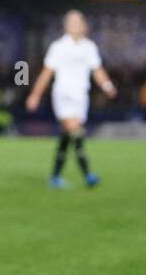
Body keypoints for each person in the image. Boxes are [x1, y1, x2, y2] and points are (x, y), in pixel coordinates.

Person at [25, 10, 117, 188]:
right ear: (66, 26)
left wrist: (108, 86)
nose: (74, 25)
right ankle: (88, 174)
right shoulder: (58, 47)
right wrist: (35, 95)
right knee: (76, 131)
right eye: (70, 22)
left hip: (81, 96)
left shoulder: (89, 47)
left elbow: (97, 69)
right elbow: (46, 73)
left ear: (83, 25)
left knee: (67, 136)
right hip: (63, 94)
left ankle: (54, 177)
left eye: (77, 22)